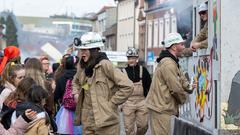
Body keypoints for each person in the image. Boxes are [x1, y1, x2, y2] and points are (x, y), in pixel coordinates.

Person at [72, 32, 134, 134]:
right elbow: (76, 82)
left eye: (84, 50)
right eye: (80, 50)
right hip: (87, 122)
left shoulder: (105, 65)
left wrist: (111, 103)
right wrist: (75, 93)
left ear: (93, 50)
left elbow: (128, 86)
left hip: (106, 123)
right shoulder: (82, 66)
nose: (81, 53)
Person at [145, 33, 194, 135]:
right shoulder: (168, 64)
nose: (184, 47)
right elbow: (175, 88)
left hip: (161, 107)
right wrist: (183, 99)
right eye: (181, 44)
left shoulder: (172, 61)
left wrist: (190, 87)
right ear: (174, 47)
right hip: (160, 108)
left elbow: (180, 78)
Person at [122, 47, 151, 135]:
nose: (131, 60)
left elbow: (150, 86)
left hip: (142, 102)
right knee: (129, 129)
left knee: (143, 126)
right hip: (128, 102)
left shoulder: (143, 70)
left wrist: (149, 100)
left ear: (136, 59)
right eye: (129, 58)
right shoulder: (123, 72)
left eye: (133, 58)